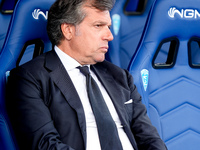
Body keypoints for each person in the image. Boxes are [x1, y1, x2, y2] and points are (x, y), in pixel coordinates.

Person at [6, 0, 167, 149]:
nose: (109, 36)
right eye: (98, 25)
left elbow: (150, 138)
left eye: (109, 27)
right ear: (68, 30)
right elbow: (45, 144)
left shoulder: (120, 77)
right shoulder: (29, 78)